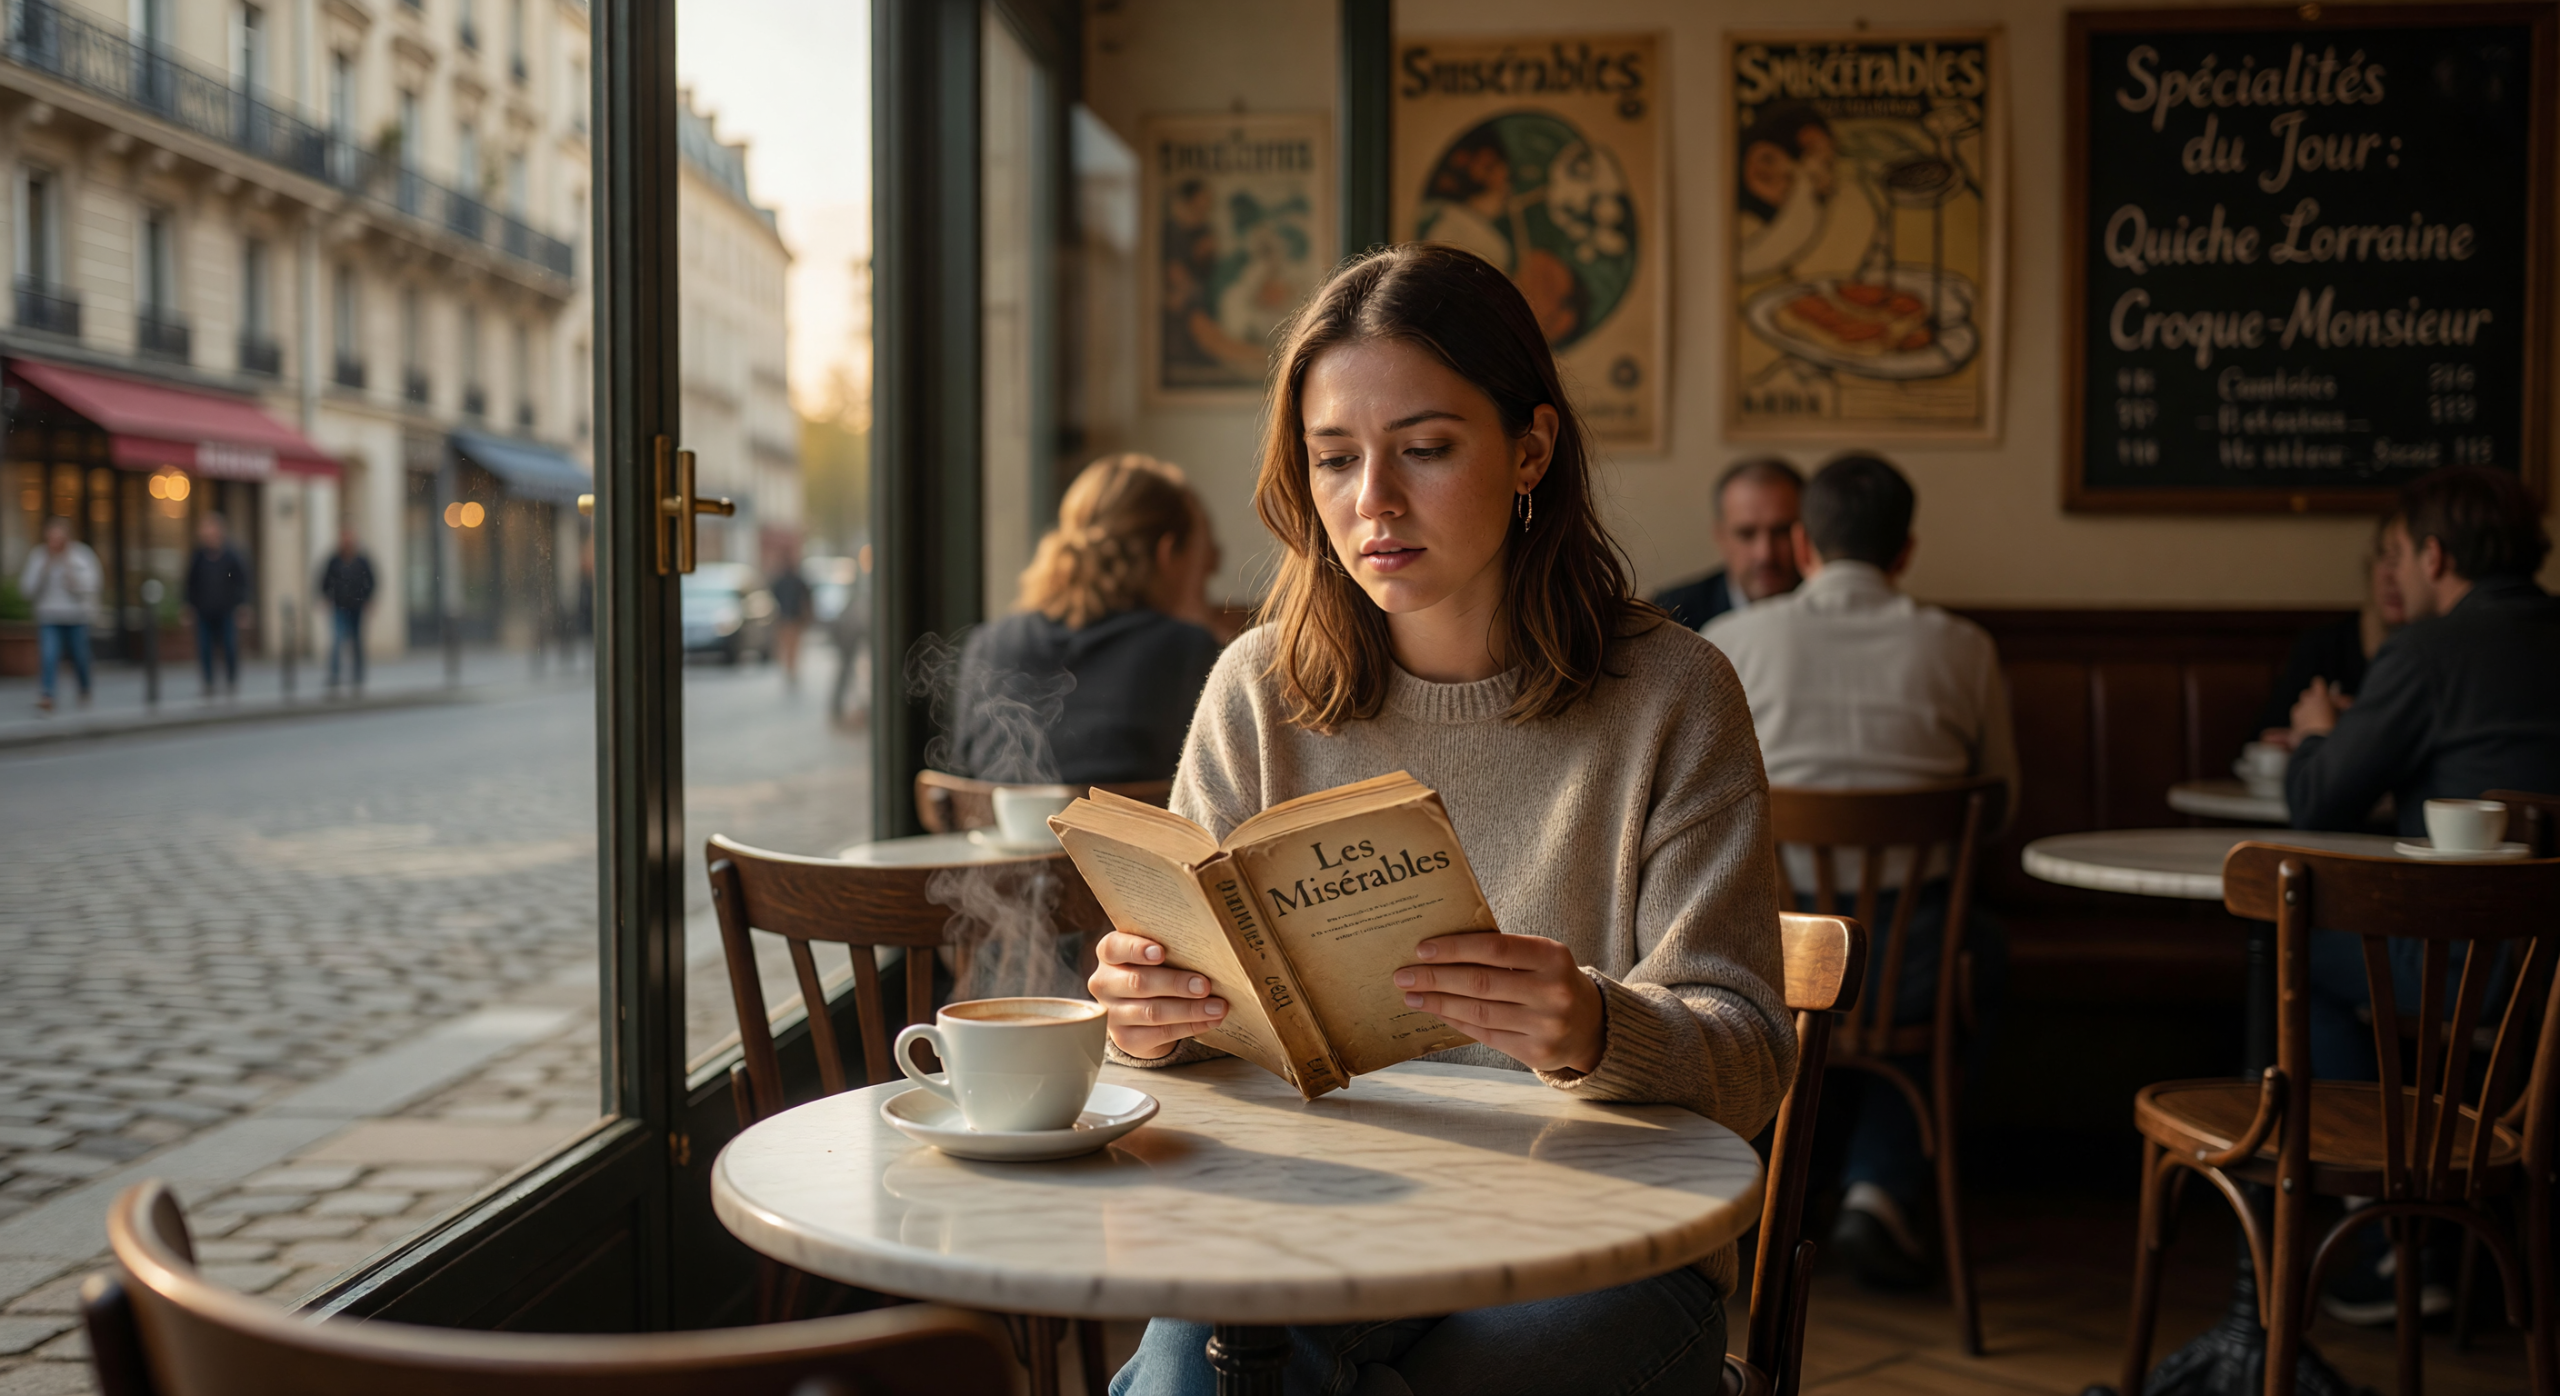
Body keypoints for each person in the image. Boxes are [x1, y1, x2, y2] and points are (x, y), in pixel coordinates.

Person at [1095, 244, 1793, 1396]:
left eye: (1423, 449)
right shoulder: (1257, 690)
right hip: (1313, 1225)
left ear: (1530, 447)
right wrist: (1147, 1021)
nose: (1372, 500)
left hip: (1600, 1243)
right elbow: (1202, 1058)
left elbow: (1754, 1055)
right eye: (1333, 459)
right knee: (1190, 1375)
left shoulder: (1674, 695)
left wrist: (1591, 1026)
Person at [1702, 453, 2017, 1293]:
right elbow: (2003, 804)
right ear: (1905, 551)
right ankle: (1880, 1192)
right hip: (1912, 958)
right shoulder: (1966, 650)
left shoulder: (1731, 644)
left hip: (1772, 958)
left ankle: (1759, 1195)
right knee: (1976, 955)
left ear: (1804, 542)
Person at [2279, 465, 2560, 1324]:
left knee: (2291, 960)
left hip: (2471, 969)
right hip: (2554, 983)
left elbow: (2319, 799)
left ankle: (2385, 1225)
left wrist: (2315, 736)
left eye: (2403, 553)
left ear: (2435, 557)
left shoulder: (2428, 653)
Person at [947, 454, 1224, 786]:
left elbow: (963, 770)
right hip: (1128, 839)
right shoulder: (1189, 650)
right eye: (1204, 557)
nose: (1210, 572)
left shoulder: (988, 644)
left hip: (1000, 837)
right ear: (1167, 554)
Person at [2251, 512, 2405, 741]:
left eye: (2403, 561)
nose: (2393, 576)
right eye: (2386, 558)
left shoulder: (2435, 657)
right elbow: (2266, 738)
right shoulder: (2321, 647)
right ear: (2370, 564)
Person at [1649, 458, 1804, 629]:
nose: (1765, 554)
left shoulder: (1833, 611)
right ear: (1721, 536)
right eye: (1746, 534)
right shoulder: (1672, 614)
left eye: (1782, 532)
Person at [18, 517, 102, 713]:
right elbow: (26, 589)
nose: (55, 543)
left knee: (80, 657)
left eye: (59, 538)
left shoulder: (81, 556)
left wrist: (70, 572)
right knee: (49, 656)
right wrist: (44, 570)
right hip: (49, 616)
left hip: (76, 616)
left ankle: (84, 688)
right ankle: (48, 695)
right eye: (52, 538)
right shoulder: (39, 556)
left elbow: (93, 585)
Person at [184, 513, 251, 698]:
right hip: (204, 610)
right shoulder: (199, 556)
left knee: (229, 646)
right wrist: (188, 605)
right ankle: (208, 682)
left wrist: (243, 606)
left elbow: (242, 581)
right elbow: (190, 582)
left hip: (227, 609)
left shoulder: (231, 556)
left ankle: (231, 679)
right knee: (204, 648)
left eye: (210, 529)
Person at [317, 528, 376, 696]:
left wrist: (369, 598)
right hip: (339, 606)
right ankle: (335, 674)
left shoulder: (362, 560)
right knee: (337, 640)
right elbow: (325, 579)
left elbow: (371, 579)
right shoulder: (334, 560)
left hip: (357, 606)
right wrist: (325, 597)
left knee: (357, 641)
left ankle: (358, 674)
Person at [768, 551, 813, 686]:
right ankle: (790, 669)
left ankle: (791, 669)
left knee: (791, 646)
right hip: (788, 617)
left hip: (791, 617)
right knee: (789, 646)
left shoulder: (792, 580)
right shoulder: (789, 580)